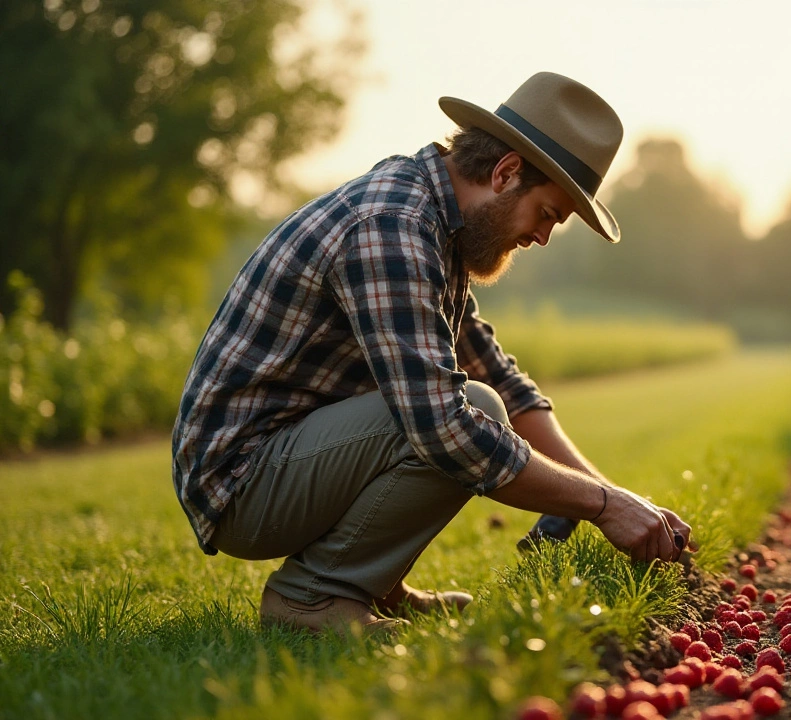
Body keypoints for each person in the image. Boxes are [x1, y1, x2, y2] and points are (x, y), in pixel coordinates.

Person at [171, 72, 696, 636]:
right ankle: (312, 599)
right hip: (242, 481)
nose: (543, 236)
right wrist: (600, 505)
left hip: (287, 458)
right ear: (506, 172)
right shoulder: (392, 224)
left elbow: (498, 375)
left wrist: (612, 496)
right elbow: (443, 426)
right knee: (466, 414)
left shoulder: (439, 225)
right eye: (547, 214)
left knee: (478, 397)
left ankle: (373, 583)